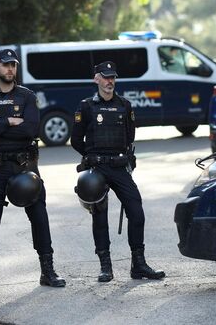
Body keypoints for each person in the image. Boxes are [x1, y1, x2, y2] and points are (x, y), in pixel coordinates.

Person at [0, 49, 65, 292]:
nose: (10, 68)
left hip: (25, 166)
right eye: (5, 65)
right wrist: (11, 121)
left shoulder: (27, 96)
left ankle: (48, 271)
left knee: (39, 216)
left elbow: (31, 129)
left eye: (13, 64)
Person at [71, 61, 165, 282]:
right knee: (100, 216)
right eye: (105, 77)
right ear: (96, 79)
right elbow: (75, 140)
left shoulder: (125, 105)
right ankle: (105, 266)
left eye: (112, 77)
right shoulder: (86, 106)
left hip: (119, 167)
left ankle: (138, 265)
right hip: (97, 168)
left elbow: (129, 137)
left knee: (137, 212)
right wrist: (91, 156)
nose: (110, 81)